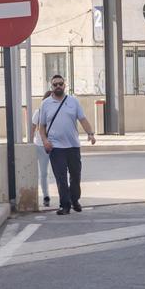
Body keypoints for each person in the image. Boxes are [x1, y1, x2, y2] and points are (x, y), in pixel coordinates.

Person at [38, 74, 97, 215]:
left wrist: (90, 133)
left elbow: (82, 119)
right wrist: (45, 141)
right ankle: (64, 205)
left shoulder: (73, 101)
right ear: (51, 87)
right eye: (55, 84)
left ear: (65, 85)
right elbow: (42, 126)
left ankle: (74, 200)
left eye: (60, 84)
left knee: (75, 176)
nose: (58, 86)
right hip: (56, 147)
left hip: (73, 146)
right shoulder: (45, 104)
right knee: (61, 178)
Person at [29, 90, 53, 207]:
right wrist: (29, 143)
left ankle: (64, 195)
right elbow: (33, 128)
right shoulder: (38, 112)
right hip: (40, 145)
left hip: (56, 145)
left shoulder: (57, 112)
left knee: (60, 173)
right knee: (44, 173)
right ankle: (46, 196)